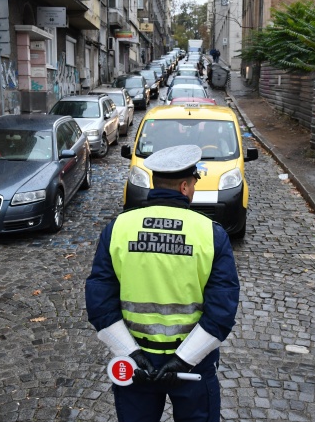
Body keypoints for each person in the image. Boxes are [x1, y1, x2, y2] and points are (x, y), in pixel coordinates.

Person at [86, 144, 240, 422]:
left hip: (136, 364)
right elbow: (222, 312)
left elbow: (99, 302)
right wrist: (183, 359)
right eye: (194, 183)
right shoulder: (210, 234)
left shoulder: (118, 228)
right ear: (184, 187)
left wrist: (130, 352)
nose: (193, 189)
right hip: (192, 365)